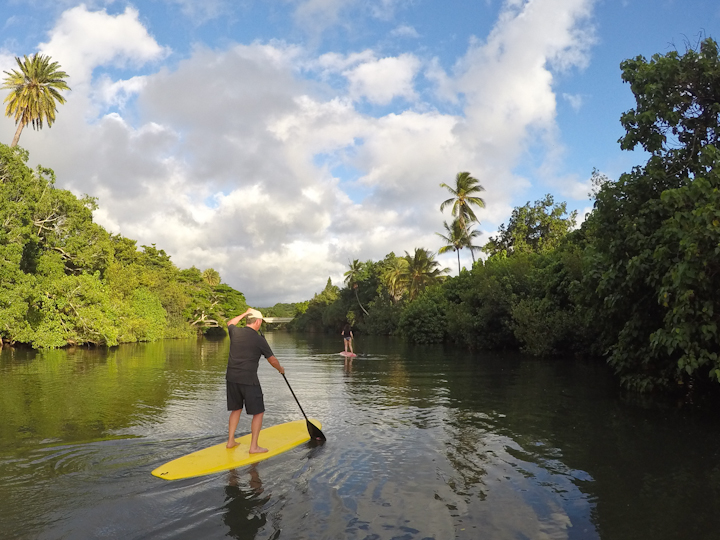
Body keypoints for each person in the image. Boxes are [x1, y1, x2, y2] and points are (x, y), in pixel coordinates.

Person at [225, 308, 285, 452]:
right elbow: (272, 360)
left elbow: (230, 322)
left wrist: (245, 312)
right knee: (258, 412)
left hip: (231, 378)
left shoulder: (235, 332)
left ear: (247, 320)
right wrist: (280, 369)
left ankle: (230, 441)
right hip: (249, 380)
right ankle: (254, 447)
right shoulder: (259, 340)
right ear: (258, 322)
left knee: (236, 409)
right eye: (260, 322)